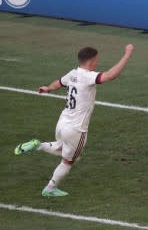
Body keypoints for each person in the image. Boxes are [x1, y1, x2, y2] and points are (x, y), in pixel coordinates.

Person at [14, 44, 134, 197]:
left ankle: (38, 145)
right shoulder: (88, 76)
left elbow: (59, 82)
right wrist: (127, 54)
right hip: (76, 129)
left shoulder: (72, 74)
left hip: (62, 123)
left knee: (61, 147)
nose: (97, 63)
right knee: (69, 160)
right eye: (96, 60)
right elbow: (111, 75)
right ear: (91, 61)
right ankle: (50, 188)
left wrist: (48, 88)